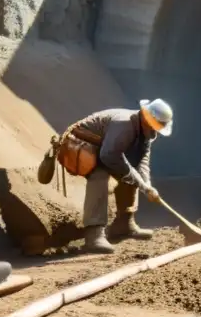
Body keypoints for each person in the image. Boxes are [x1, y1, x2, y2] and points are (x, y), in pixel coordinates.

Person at [73, 98, 173, 254]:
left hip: (107, 149)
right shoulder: (124, 125)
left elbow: (142, 161)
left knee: (132, 175)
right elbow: (107, 156)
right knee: (100, 174)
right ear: (146, 118)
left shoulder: (146, 132)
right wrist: (137, 180)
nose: (156, 131)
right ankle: (93, 235)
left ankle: (124, 225)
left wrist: (147, 185)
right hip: (83, 143)